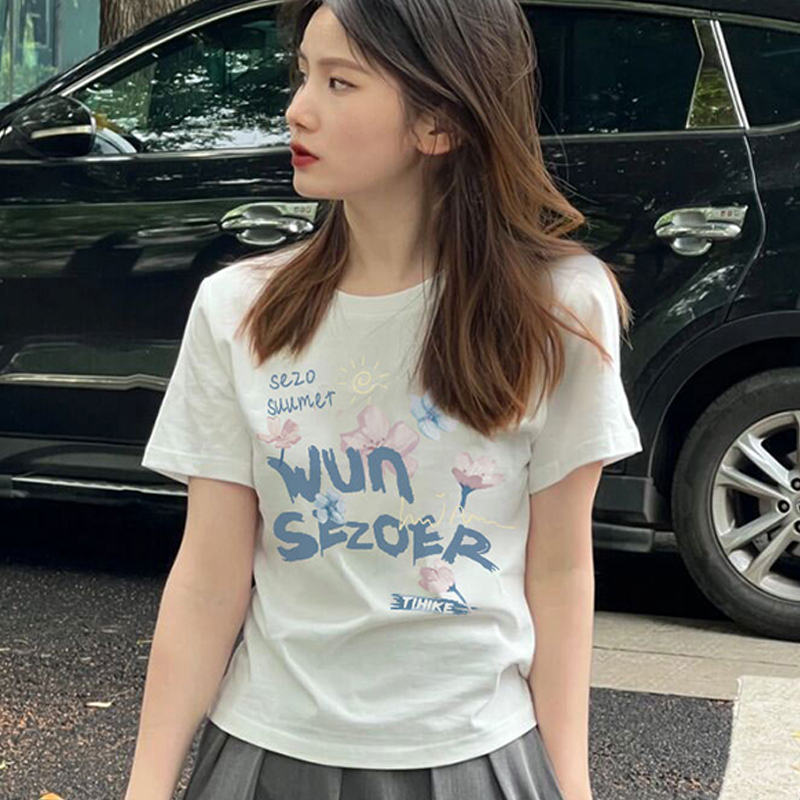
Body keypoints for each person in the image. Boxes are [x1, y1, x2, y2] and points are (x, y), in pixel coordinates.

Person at [124, 1, 643, 799]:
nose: (298, 110)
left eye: (340, 83)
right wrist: (147, 786)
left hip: (476, 757)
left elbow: (562, 568)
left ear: (440, 121)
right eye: (303, 74)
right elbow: (207, 576)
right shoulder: (240, 308)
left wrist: (570, 786)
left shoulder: (560, 306)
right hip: (266, 753)